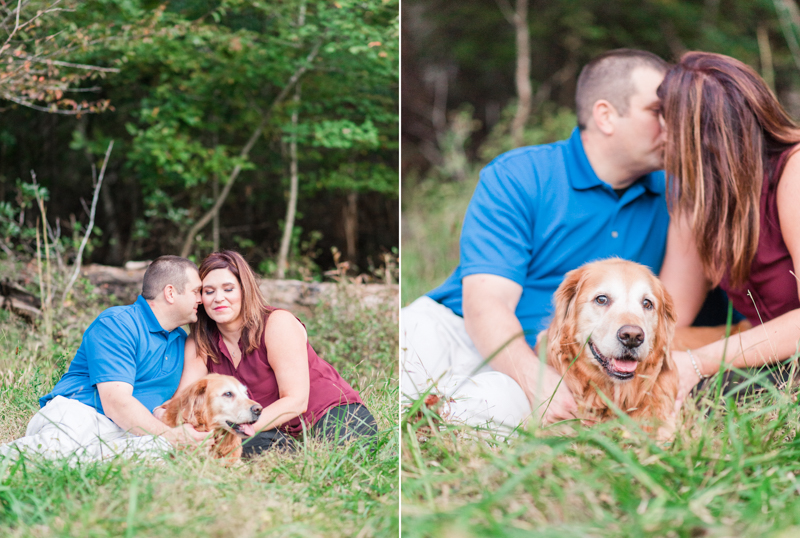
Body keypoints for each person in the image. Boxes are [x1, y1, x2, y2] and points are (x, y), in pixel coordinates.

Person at [401, 49, 671, 431]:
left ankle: (441, 415)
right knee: (410, 340)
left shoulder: (675, 197)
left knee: (496, 407)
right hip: (460, 330)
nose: (672, 125)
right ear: (606, 115)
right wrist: (535, 378)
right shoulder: (520, 175)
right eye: (658, 112)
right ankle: (425, 408)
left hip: (565, 360)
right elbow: (487, 303)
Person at [657, 51, 800, 402]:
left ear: (692, 132)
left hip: (786, 357)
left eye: (660, 118)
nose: (658, 134)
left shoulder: (793, 170)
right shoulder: (698, 199)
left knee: (703, 397)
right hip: (770, 356)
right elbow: (667, 317)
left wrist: (698, 361)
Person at [163, 250, 377, 454]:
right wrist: (163, 419)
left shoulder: (277, 324)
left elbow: (296, 401)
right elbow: (184, 400)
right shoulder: (200, 341)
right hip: (266, 428)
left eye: (228, 289)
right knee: (236, 448)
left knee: (335, 460)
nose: (218, 298)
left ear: (244, 290)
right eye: (209, 291)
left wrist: (243, 428)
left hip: (330, 415)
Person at [1, 256, 208, 461]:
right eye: (196, 291)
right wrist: (172, 437)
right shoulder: (119, 323)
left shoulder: (183, 343)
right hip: (84, 415)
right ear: (170, 293)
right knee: (52, 453)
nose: (201, 299)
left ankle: (85, 464)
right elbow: (116, 403)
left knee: (164, 455)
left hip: (135, 431)